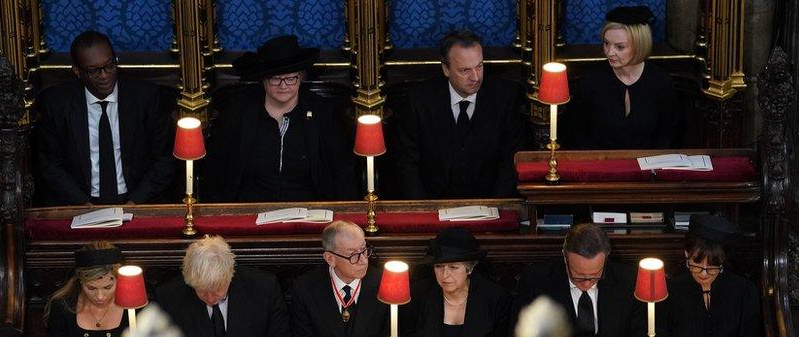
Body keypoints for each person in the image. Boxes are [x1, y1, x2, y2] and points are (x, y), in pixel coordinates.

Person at [202, 35, 357, 202]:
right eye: (275, 78)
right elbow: (215, 171)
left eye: (291, 78)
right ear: (263, 79)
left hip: (309, 211)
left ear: (301, 78)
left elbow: (343, 171)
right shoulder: (238, 113)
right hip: (251, 210)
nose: (283, 86)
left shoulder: (323, 112)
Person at [35, 31, 175, 205]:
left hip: (137, 200)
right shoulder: (56, 104)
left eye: (109, 66)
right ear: (77, 71)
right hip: (80, 203)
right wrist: (83, 205)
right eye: (93, 71)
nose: (104, 75)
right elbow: (50, 166)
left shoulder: (146, 98)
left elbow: (163, 161)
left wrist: (135, 203)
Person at [393, 30, 527, 199]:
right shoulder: (419, 100)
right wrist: (423, 210)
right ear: (446, 69)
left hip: (491, 204)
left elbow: (511, 161)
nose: (476, 77)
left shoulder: (505, 97)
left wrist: (497, 205)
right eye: (465, 70)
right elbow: (407, 164)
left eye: (479, 66)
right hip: (435, 203)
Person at [156, 235, 290, 337]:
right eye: (202, 291)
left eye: (217, 290)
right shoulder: (169, 297)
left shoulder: (264, 289)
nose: (210, 298)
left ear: (230, 274)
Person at [512, 223, 646, 337]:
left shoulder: (629, 280)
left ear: (605, 260)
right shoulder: (536, 280)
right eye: (579, 276)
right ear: (565, 258)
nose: (587, 284)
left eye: (595, 276)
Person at [658, 214, 764, 337]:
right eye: (696, 264)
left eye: (713, 267)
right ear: (687, 254)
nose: (704, 274)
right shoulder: (672, 290)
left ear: (723, 261)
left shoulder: (744, 289)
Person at [563, 6, 679, 150]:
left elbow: (667, 135)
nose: (610, 52)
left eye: (620, 47)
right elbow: (577, 135)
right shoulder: (591, 80)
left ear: (639, 45)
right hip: (602, 165)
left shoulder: (660, 81)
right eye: (606, 44)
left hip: (649, 166)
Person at [289, 220, 389, 337]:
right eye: (353, 255)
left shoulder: (385, 282)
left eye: (364, 250)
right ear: (330, 258)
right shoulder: (305, 288)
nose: (363, 260)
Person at [405, 227, 511, 337]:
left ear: (469, 269)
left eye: (453, 267)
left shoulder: (496, 299)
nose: (445, 275)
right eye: (439, 266)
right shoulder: (418, 295)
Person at [45, 242, 128, 337]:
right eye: (91, 288)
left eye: (108, 287)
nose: (100, 296)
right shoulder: (62, 307)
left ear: (119, 280)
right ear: (80, 282)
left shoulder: (134, 306)